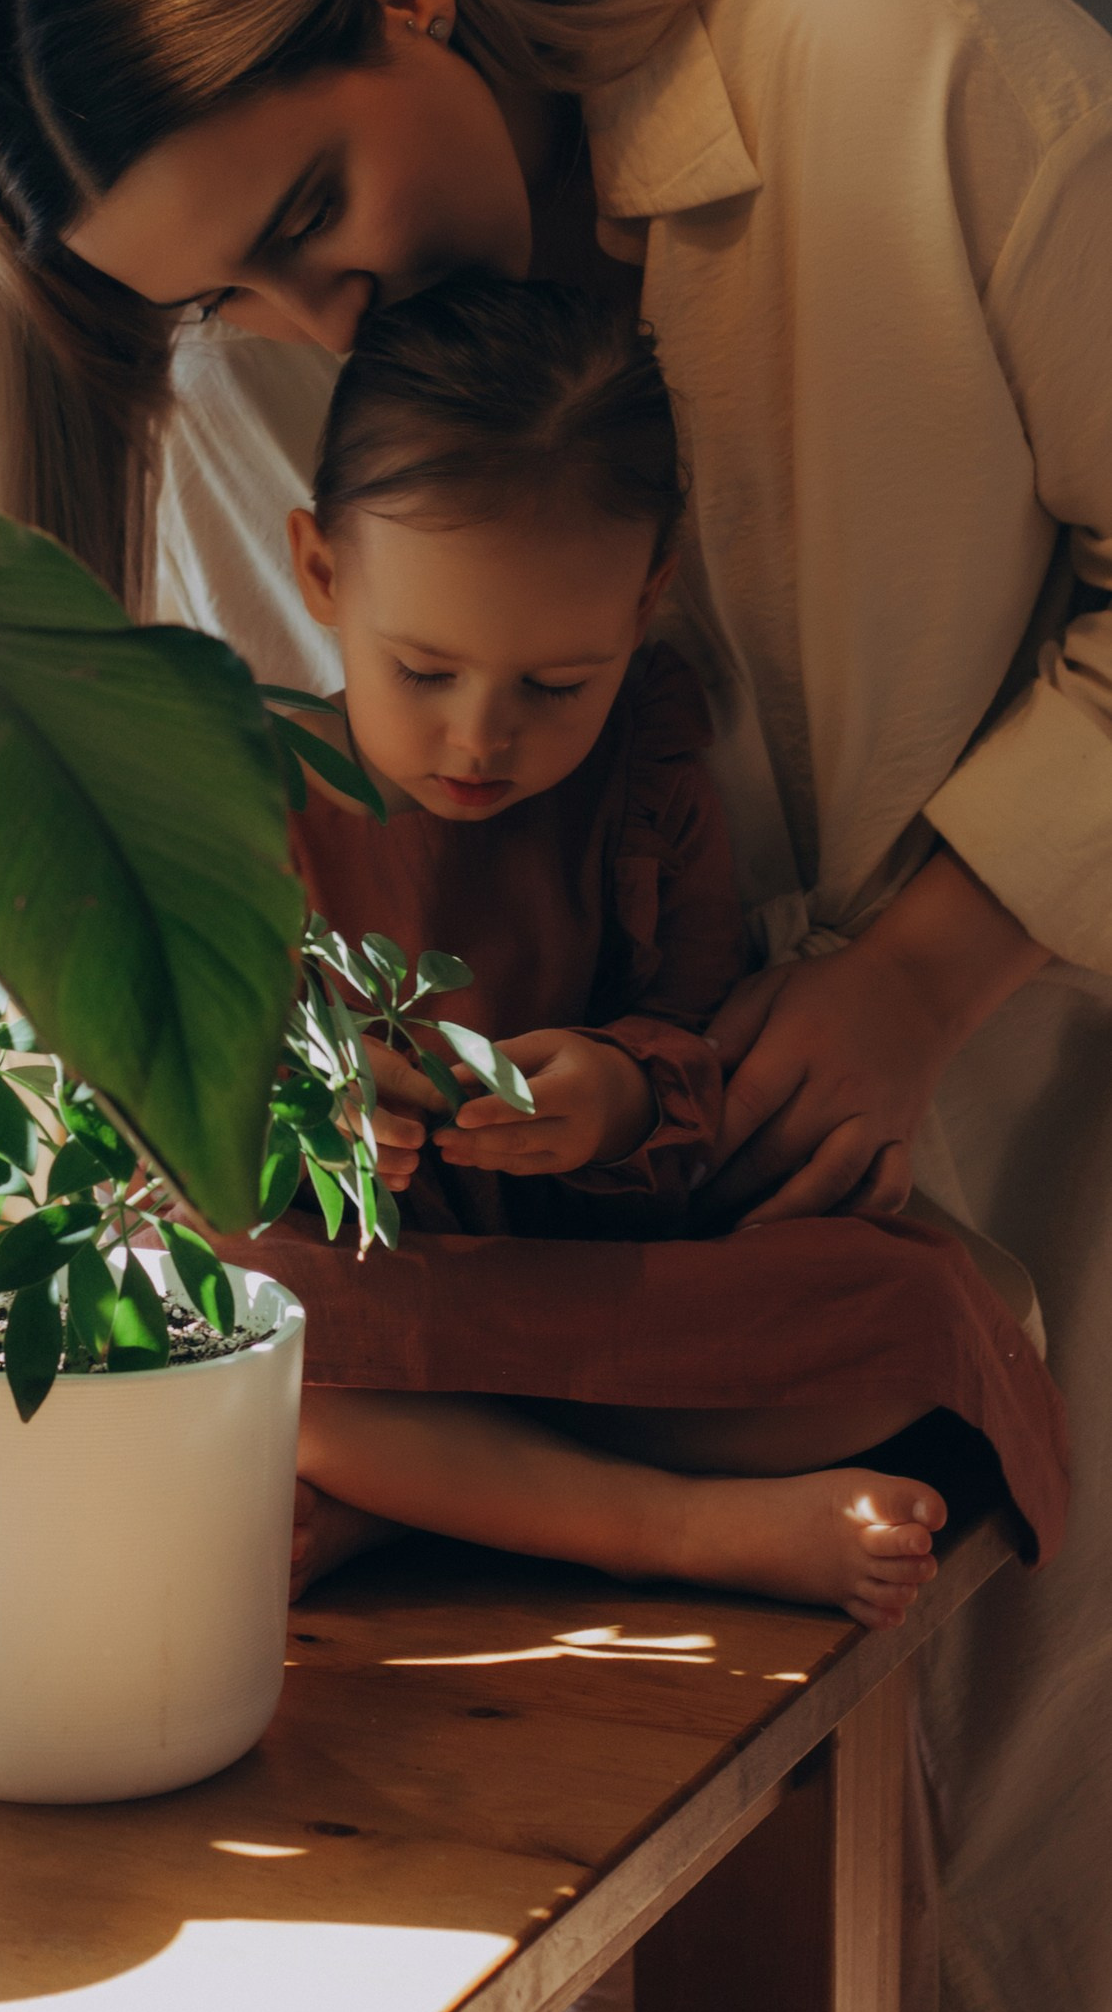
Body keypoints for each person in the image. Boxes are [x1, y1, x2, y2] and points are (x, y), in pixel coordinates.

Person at [0, 0, 1112, 2012]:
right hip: (591, 1284)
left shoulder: (883, 43)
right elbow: (336, 854)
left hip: (1037, 1109)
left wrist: (923, 972)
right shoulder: (291, 370)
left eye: (303, 218)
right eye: (223, 296)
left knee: (1036, 1938)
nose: (298, 321)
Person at [257, 270, 1061, 1629]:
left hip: (590, 1301)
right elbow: (190, 1085)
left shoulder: (647, 772)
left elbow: (694, 1050)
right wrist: (316, 1108)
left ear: (645, 601)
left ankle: (412, 1493)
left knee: (917, 1309)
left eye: (554, 686)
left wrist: (622, 1097)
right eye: (424, 672)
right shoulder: (247, 794)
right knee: (221, 1299)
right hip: (373, 1297)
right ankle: (677, 1527)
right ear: (322, 571)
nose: (479, 739)